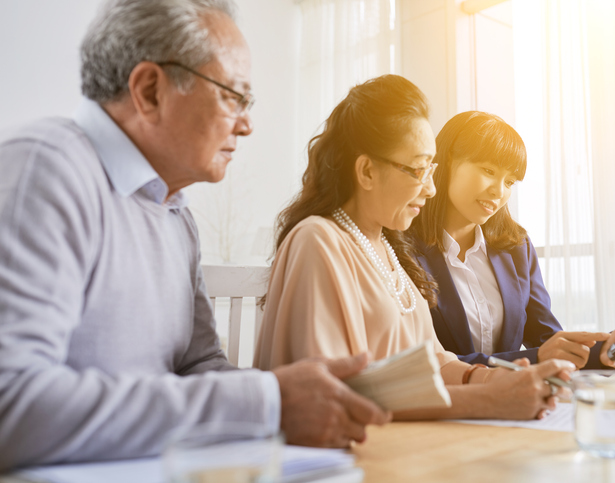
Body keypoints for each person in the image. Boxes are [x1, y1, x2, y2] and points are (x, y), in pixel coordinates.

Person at [0, 0, 389, 471]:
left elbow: (200, 366)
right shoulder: (46, 168)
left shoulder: (175, 213)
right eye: (233, 96)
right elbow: (12, 403)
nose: (246, 125)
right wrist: (265, 403)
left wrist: (300, 397)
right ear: (149, 91)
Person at [253, 75, 574, 421]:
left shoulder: (388, 249)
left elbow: (432, 360)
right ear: (366, 171)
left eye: (431, 170)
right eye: (419, 170)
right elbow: (334, 395)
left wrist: (490, 378)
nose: (431, 189)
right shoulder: (319, 240)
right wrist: (490, 400)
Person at [409, 111, 615, 370]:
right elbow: (423, 362)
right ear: (445, 161)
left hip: (518, 404)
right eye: (488, 170)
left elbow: (548, 339)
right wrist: (536, 358)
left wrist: (605, 350)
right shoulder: (402, 248)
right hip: (444, 405)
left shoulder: (515, 247)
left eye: (509, 181)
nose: (499, 192)